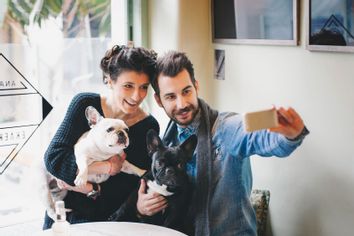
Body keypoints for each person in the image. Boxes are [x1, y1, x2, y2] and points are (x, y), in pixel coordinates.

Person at [148, 51, 309, 236]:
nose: (182, 103)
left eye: (186, 91)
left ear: (196, 86)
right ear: (159, 100)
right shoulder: (166, 142)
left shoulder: (227, 128)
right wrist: (143, 206)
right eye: (170, 97)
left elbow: (259, 137)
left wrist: (289, 135)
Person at [43, 45, 166, 229]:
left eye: (143, 87)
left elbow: (128, 188)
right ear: (109, 81)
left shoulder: (148, 126)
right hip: (64, 217)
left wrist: (90, 188)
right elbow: (54, 159)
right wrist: (109, 167)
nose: (136, 96)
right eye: (128, 86)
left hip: (111, 221)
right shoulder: (85, 104)